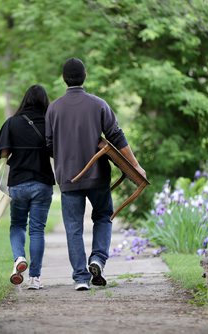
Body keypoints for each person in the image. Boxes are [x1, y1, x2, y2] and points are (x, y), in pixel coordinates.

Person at [45, 58, 146, 291]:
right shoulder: (99, 104)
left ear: (63, 79)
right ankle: (98, 259)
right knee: (103, 217)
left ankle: (81, 278)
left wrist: (66, 158)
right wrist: (136, 166)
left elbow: (49, 145)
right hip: (98, 176)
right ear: (85, 76)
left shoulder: (54, 108)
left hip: (68, 178)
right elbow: (117, 136)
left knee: (73, 227)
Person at [0, 84, 55, 290]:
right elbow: (56, 152)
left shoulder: (12, 123)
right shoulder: (49, 123)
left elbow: (3, 153)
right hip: (42, 182)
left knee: (18, 225)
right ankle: (35, 278)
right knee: (37, 230)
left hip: (18, 182)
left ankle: (19, 257)